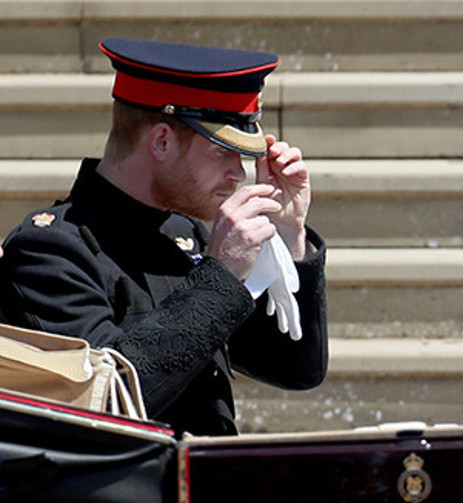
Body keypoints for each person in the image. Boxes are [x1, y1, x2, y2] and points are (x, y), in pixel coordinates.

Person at [0, 38, 328, 436]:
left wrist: (289, 235)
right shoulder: (50, 250)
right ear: (161, 141)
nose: (238, 174)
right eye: (222, 152)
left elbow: (293, 367)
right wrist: (220, 276)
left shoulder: (183, 233)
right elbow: (110, 401)